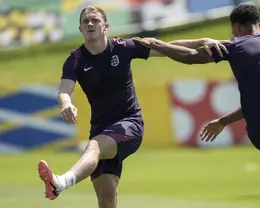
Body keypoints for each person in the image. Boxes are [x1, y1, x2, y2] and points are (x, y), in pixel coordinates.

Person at [133, 3, 260, 208]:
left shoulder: (235, 46)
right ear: (259, 25)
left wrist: (157, 44)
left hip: (259, 131)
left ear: (237, 28)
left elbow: (190, 56)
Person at [37, 5, 227, 208]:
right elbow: (65, 90)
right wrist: (66, 104)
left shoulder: (123, 47)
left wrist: (202, 41)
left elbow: (166, 46)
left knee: (93, 147)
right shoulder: (75, 60)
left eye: (95, 20)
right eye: (85, 21)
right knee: (107, 199)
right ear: (80, 28)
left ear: (105, 26)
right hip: (100, 129)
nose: (90, 24)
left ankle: (60, 182)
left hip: (129, 124)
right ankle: (61, 183)